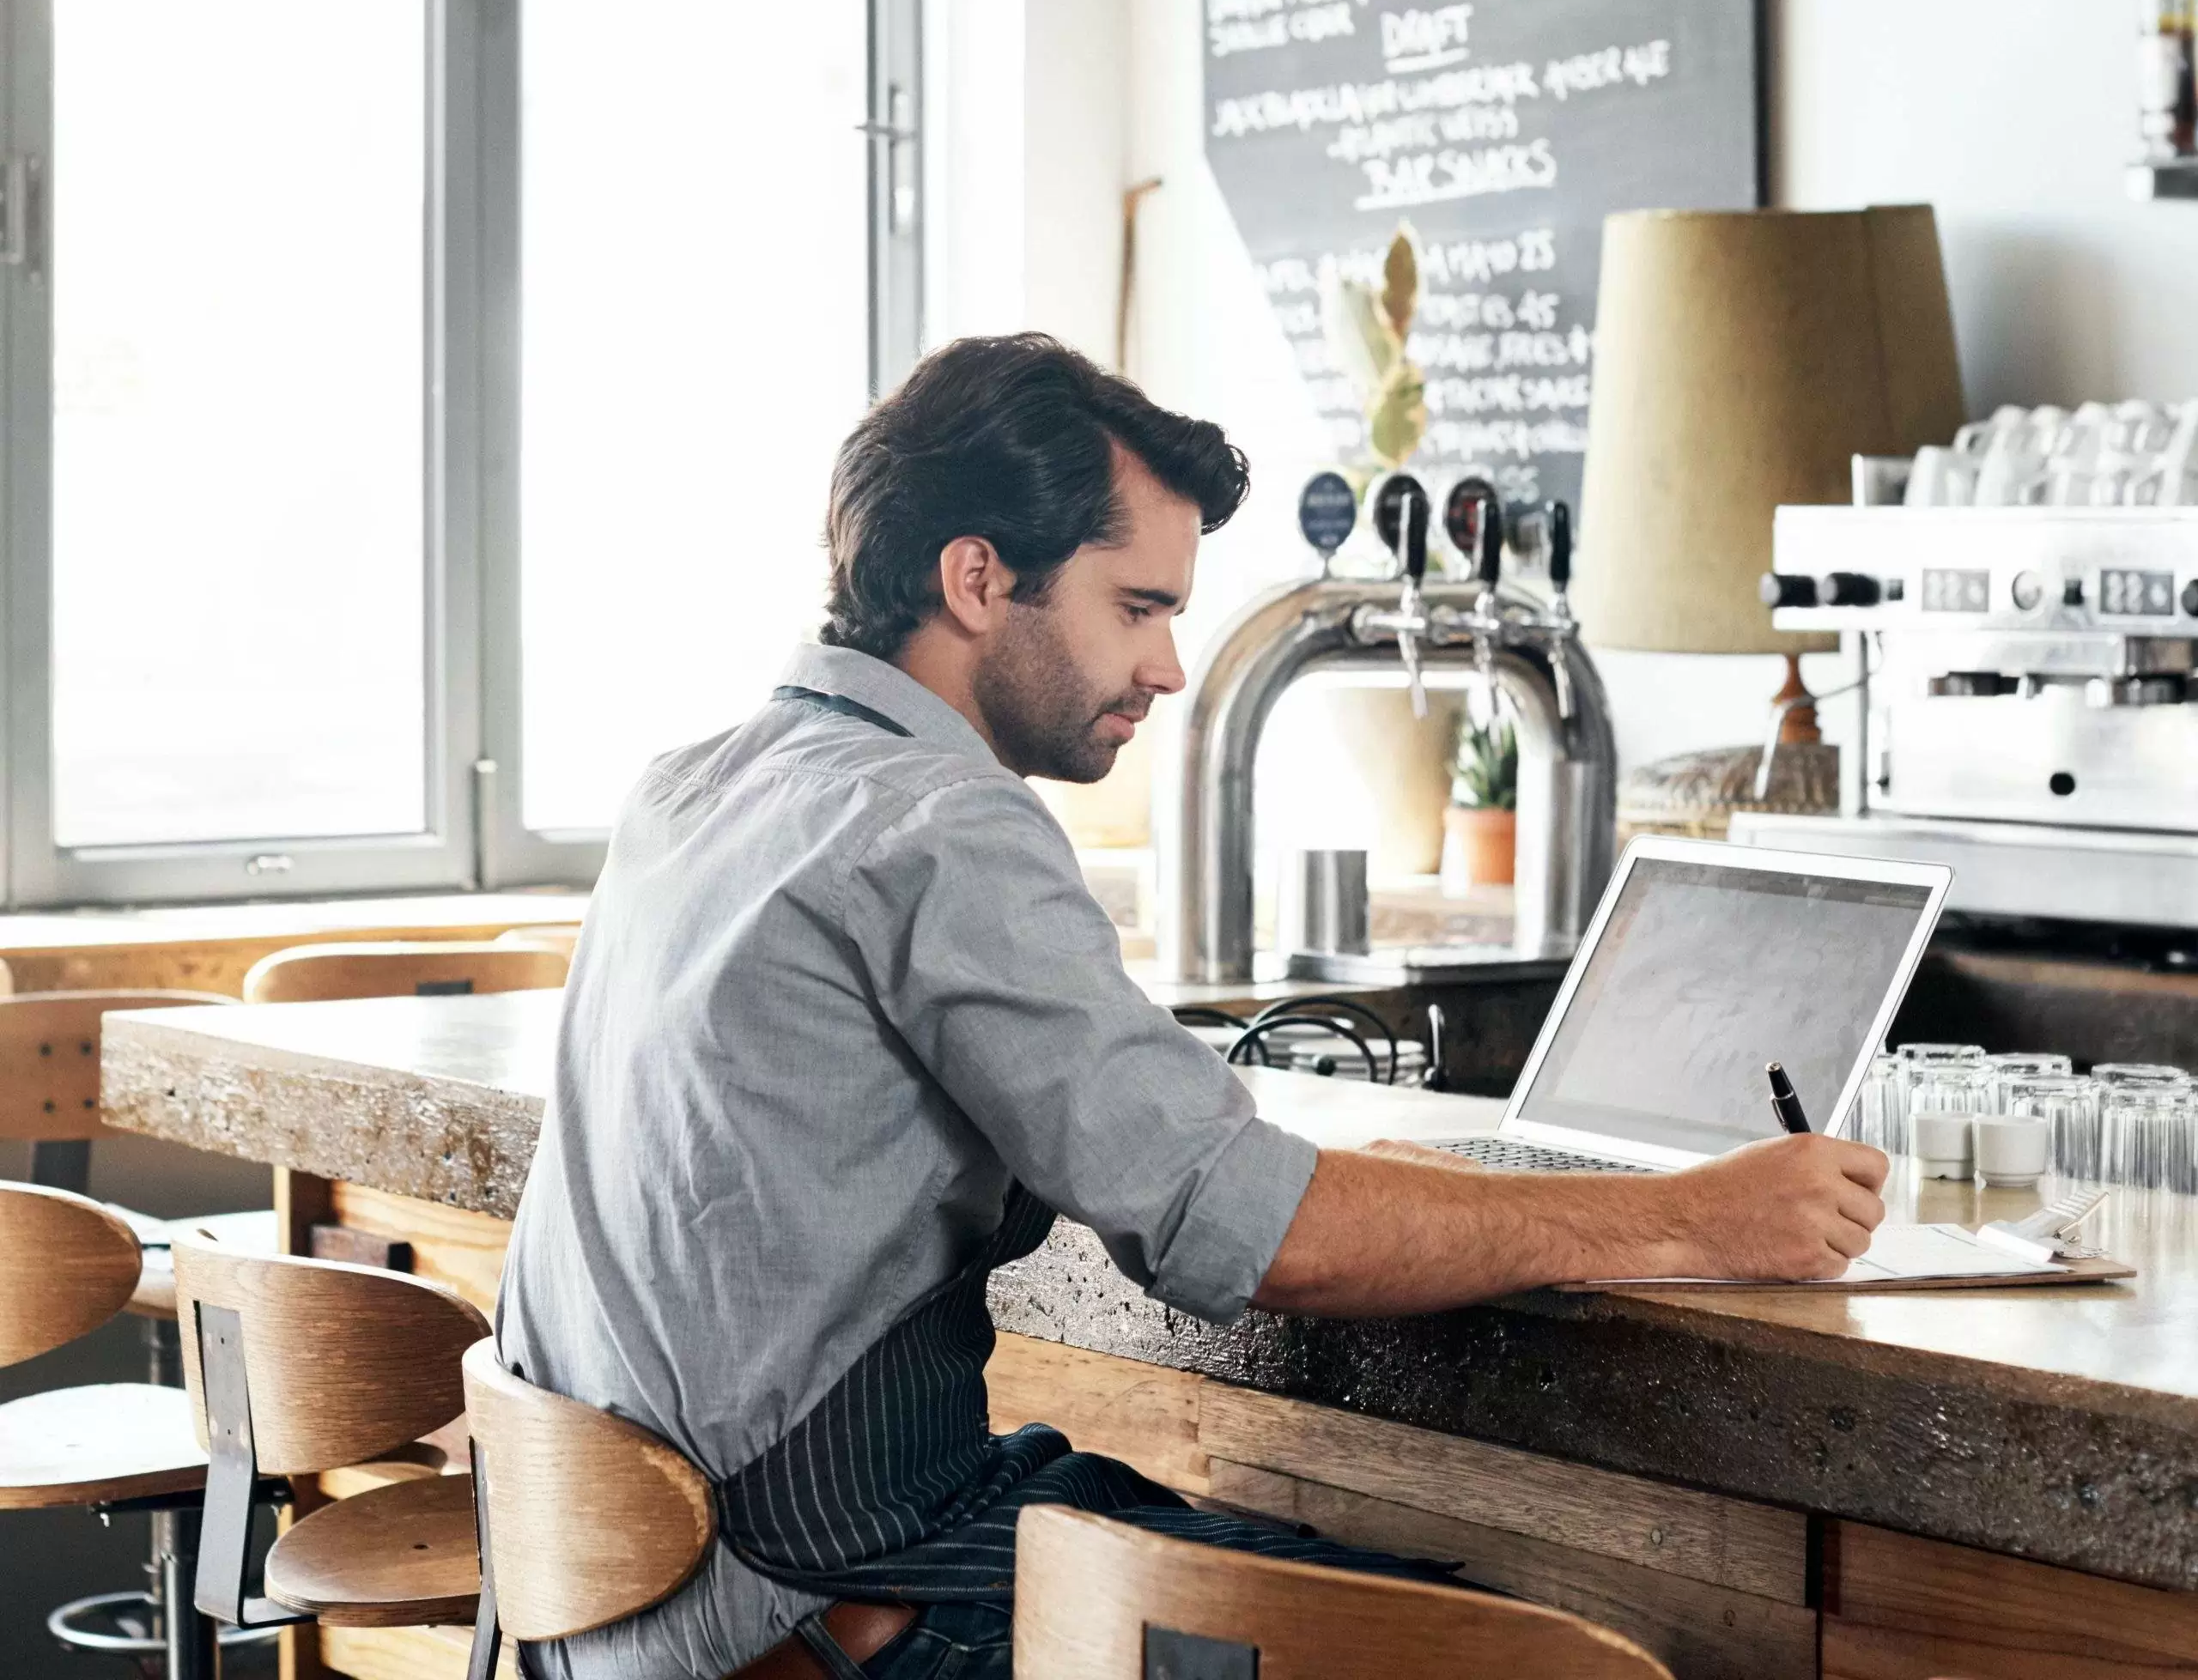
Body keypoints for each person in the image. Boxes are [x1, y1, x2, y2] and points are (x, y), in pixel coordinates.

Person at [497, 334, 1888, 1680]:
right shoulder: (938, 825)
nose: (1167, 667)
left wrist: (1374, 1195)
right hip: (814, 1614)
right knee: (1512, 1650)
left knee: (1277, 1562)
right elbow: (1246, 1236)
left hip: (612, 1611)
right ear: (979, 579)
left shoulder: (695, 783)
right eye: (1139, 608)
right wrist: (1699, 1215)